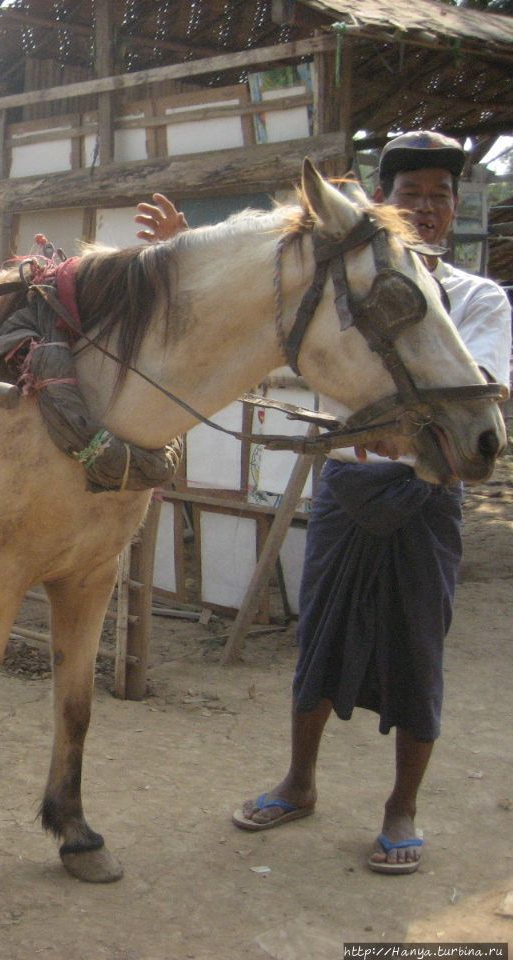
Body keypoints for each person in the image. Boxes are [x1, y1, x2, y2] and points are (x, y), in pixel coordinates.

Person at [136, 131, 511, 875]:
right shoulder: (347, 283)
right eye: (412, 195)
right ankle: (298, 783)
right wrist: (189, 256)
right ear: (383, 204)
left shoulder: (477, 298)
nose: (428, 207)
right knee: (321, 641)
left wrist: (402, 435)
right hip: (346, 486)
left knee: (416, 650)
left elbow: (489, 395)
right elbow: (267, 309)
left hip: (423, 496)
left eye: (441, 194)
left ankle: (401, 807)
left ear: (456, 204)